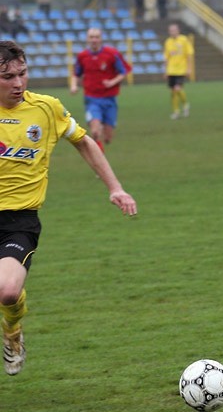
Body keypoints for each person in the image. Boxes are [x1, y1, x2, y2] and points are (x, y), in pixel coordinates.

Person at [0, 40, 137, 376]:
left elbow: (84, 141)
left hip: (19, 220)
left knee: (8, 290)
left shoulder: (46, 109)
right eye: (8, 77)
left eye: (23, 73)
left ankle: (13, 333)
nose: (18, 83)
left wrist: (115, 187)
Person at [70, 28, 131, 152]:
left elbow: (124, 71)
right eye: (91, 37)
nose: (94, 40)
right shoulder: (83, 56)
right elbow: (75, 74)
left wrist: (112, 82)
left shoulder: (112, 54)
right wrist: (74, 86)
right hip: (92, 99)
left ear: (101, 38)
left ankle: (104, 133)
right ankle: (99, 162)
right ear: (87, 39)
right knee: (95, 131)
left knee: (108, 137)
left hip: (110, 99)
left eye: (96, 37)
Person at [163, 23, 194, 119]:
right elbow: (166, 58)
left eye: (174, 30)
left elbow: (189, 55)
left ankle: (185, 104)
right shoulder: (167, 42)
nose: (172, 32)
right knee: (173, 91)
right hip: (171, 70)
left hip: (181, 69)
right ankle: (176, 111)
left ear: (178, 30)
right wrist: (166, 71)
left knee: (177, 88)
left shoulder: (184, 40)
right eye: (171, 30)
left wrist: (189, 68)